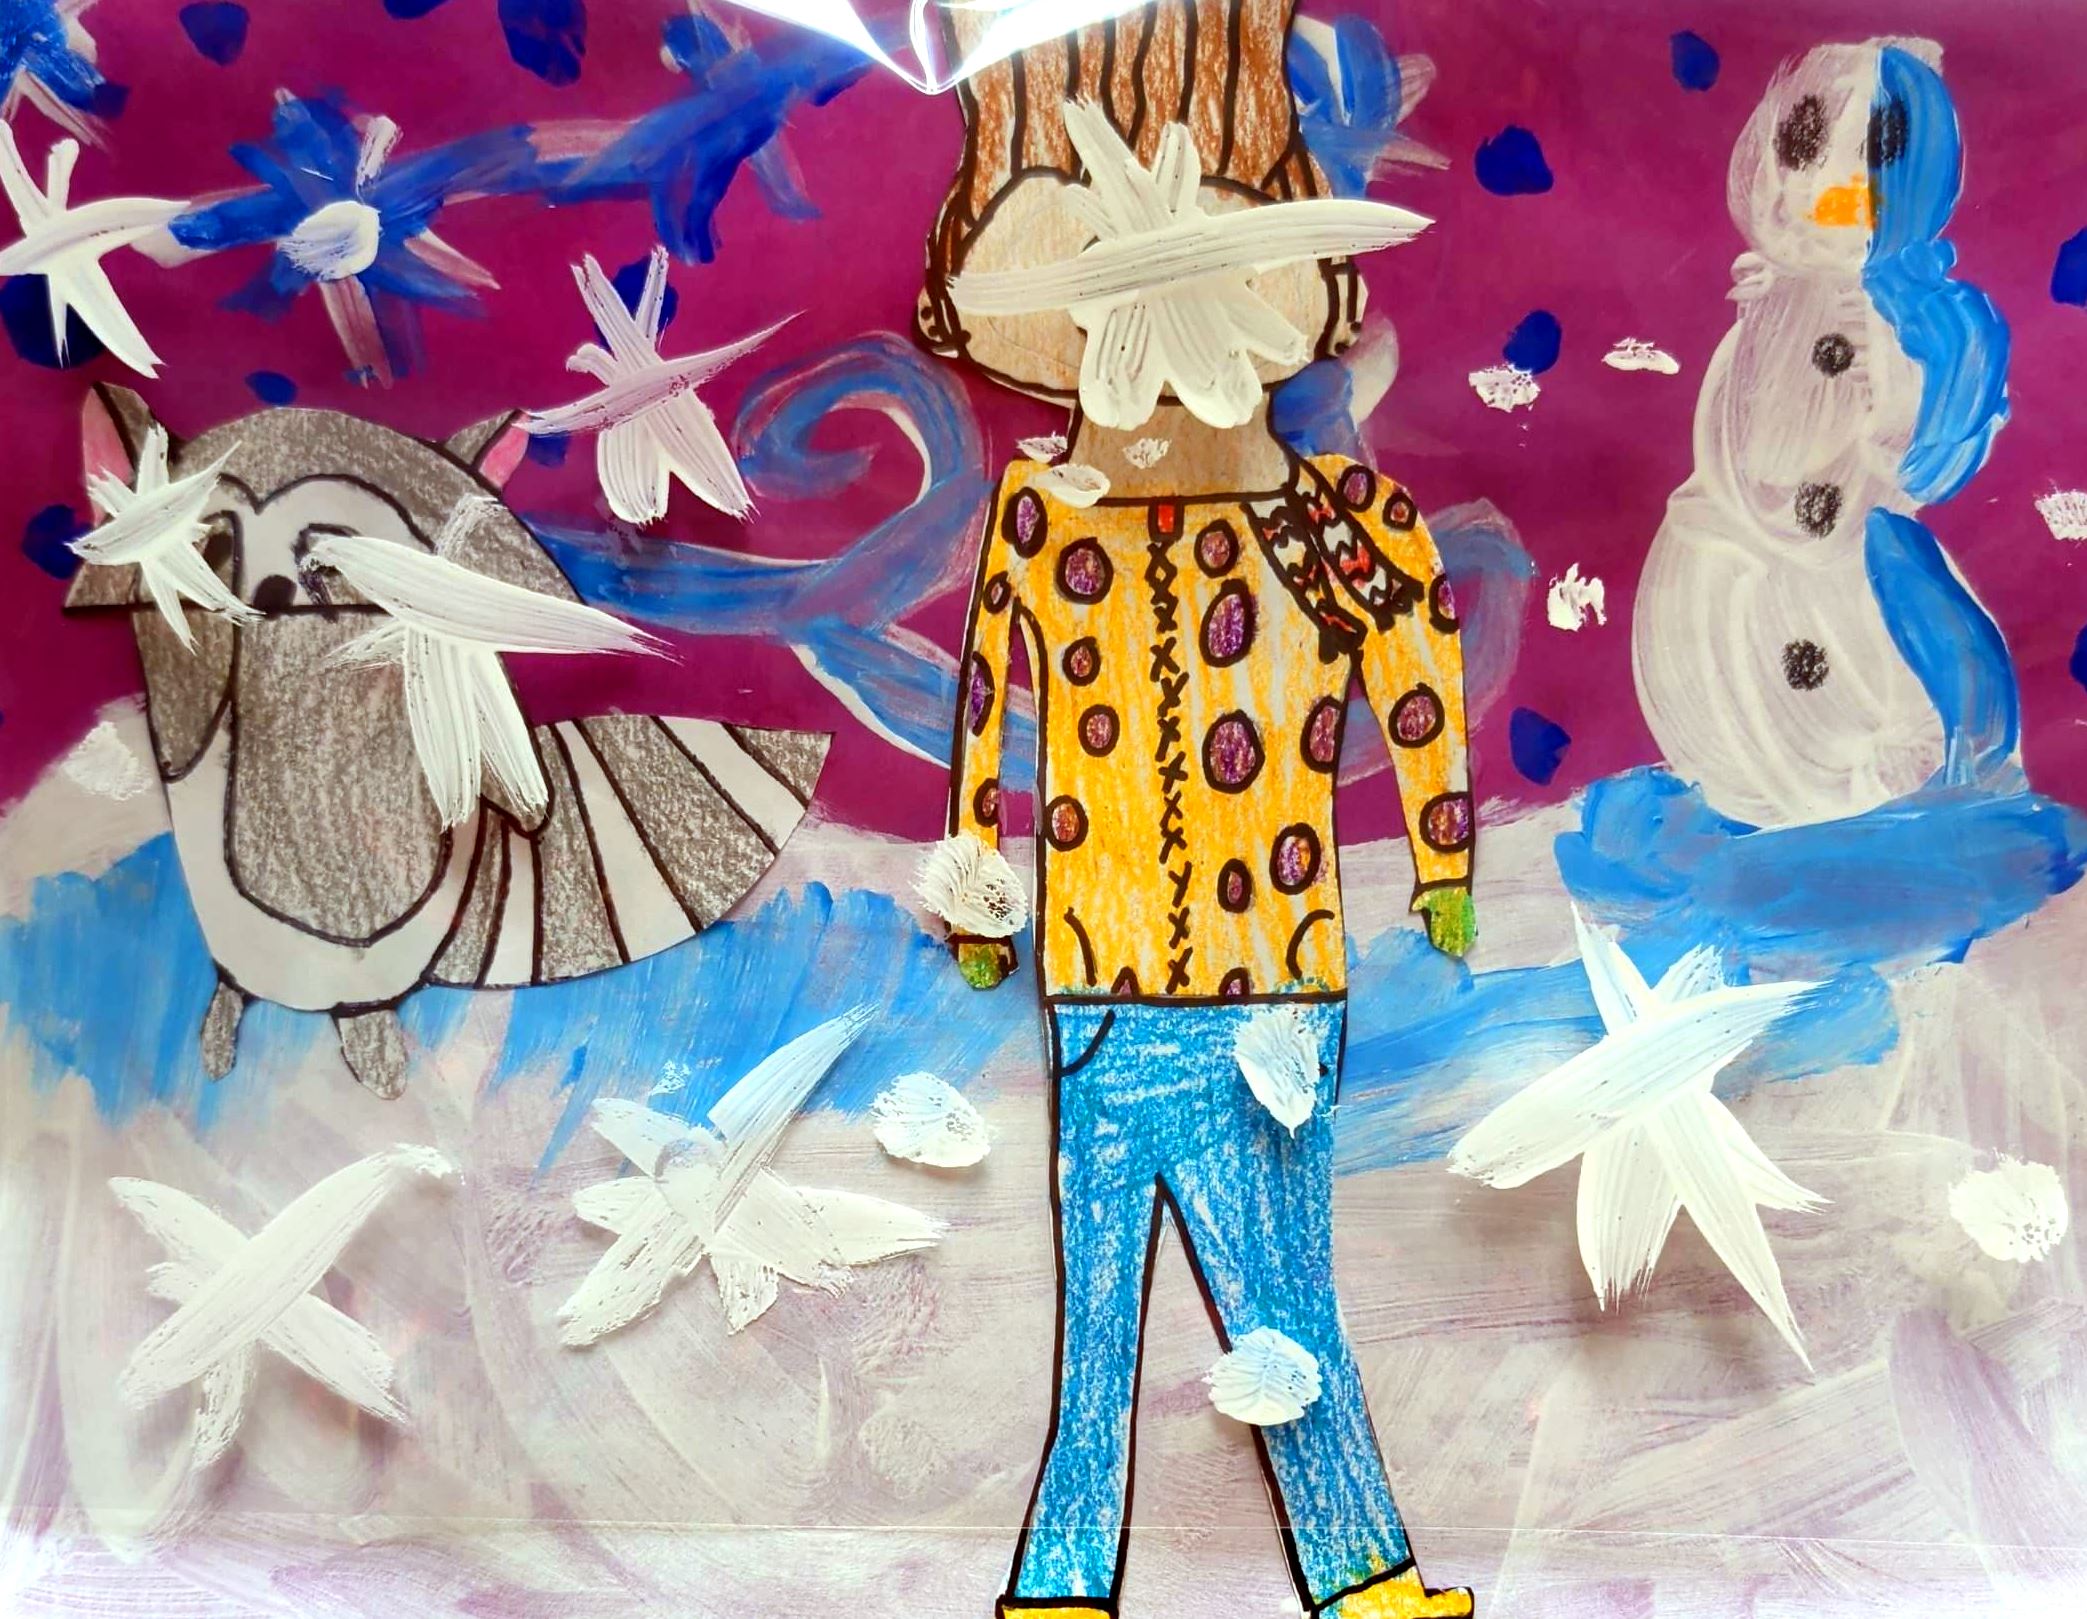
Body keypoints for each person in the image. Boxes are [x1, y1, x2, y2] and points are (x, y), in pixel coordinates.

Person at [918, 4, 1477, 1614]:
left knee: (1285, 1302)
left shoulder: (1342, 523)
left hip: (1269, 985)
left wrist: (1442, 855)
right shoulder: (1042, 514)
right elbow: (989, 701)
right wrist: (976, 884)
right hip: (1098, 979)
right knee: (1096, 1322)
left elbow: (1416, 674)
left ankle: (1360, 1576)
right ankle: (1060, 1585)